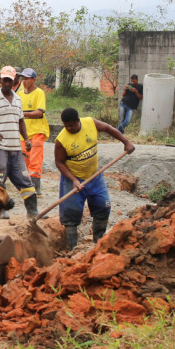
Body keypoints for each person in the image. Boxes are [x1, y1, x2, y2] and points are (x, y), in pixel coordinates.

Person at [53, 107, 135, 251]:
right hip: (73, 178)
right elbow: (59, 162)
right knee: (70, 216)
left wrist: (126, 142)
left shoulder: (90, 123)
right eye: (66, 126)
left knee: (103, 207)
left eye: (72, 125)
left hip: (94, 176)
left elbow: (109, 129)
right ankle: (73, 250)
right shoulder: (61, 140)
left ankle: (98, 244)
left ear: (78, 121)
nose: (69, 128)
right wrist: (73, 180)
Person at [0, 66, 38, 218]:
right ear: (0, 80)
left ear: (14, 81)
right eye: (4, 80)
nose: (7, 83)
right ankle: (1, 209)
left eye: (10, 80)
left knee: (25, 179)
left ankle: (32, 212)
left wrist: (26, 139)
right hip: (0, 148)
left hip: (15, 148)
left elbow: (21, 121)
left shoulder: (18, 99)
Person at [16, 67, 48, 188]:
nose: (24, 81)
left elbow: (39, 112)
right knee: (24, 160)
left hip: (38, 131)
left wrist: (22, 114)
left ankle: (36, 186)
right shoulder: (19, 95)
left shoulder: (39, 93)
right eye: (23, 79)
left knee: (35, 159)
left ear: (34, 80)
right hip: (24, 133)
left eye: (27, 79)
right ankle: (27, 185)